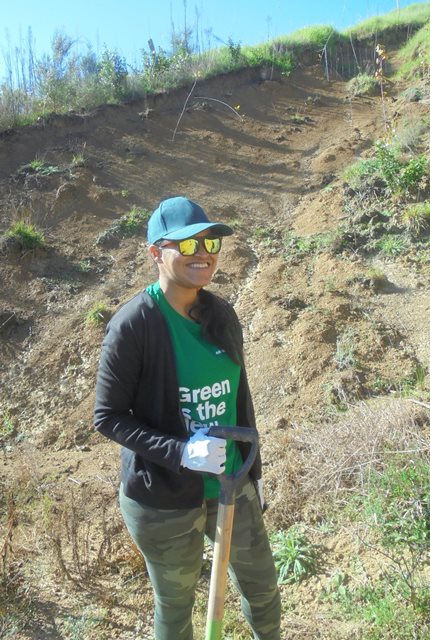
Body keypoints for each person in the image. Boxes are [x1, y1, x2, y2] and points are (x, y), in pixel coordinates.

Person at [94, 196, 281, 640]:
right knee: (177, 608)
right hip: (162, 497)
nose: (203, 254)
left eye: (210, 243)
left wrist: (252, 472)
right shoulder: (134, 325)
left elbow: (238, 397)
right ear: (156, 252)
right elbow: (108, 417)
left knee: (263, 589)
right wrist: (181, 452)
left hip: (231, 482)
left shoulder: (221, 314)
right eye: (188, 244)